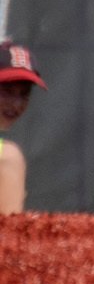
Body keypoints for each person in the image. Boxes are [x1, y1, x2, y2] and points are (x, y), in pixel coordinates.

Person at [0, 43, 47, 215]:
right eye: (7, 91)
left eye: (24, 93)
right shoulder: (6, 157)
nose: (16, 104)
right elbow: (8, 229)